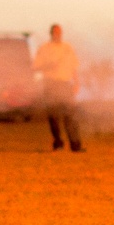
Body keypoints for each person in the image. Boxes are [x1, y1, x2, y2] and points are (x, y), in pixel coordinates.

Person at [34, 23, 83, 152]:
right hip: (51, 84)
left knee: (71, 115)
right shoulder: (44, 48)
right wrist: (48, 66)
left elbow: (74, 66)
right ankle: (58, 143)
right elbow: (35, 67)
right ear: (51, 33)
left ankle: (75, 145)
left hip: (66, 84)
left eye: (59, 32)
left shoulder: (68, 48)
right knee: (54, 116)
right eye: (55, 32)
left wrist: (77, 83)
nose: (58, 34)